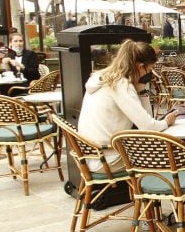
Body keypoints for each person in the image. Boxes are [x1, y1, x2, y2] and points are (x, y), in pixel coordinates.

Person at [77, 40, 179, 172]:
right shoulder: (122, 86)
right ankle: (150, 190)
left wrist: (141, 89)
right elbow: (148, 127)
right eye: (150, 69)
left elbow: (145, 121)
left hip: (88, 156)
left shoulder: (103, 78)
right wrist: (167, 122)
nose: (150, 74)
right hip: (108, 160)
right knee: (169, 156)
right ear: (140, 67)